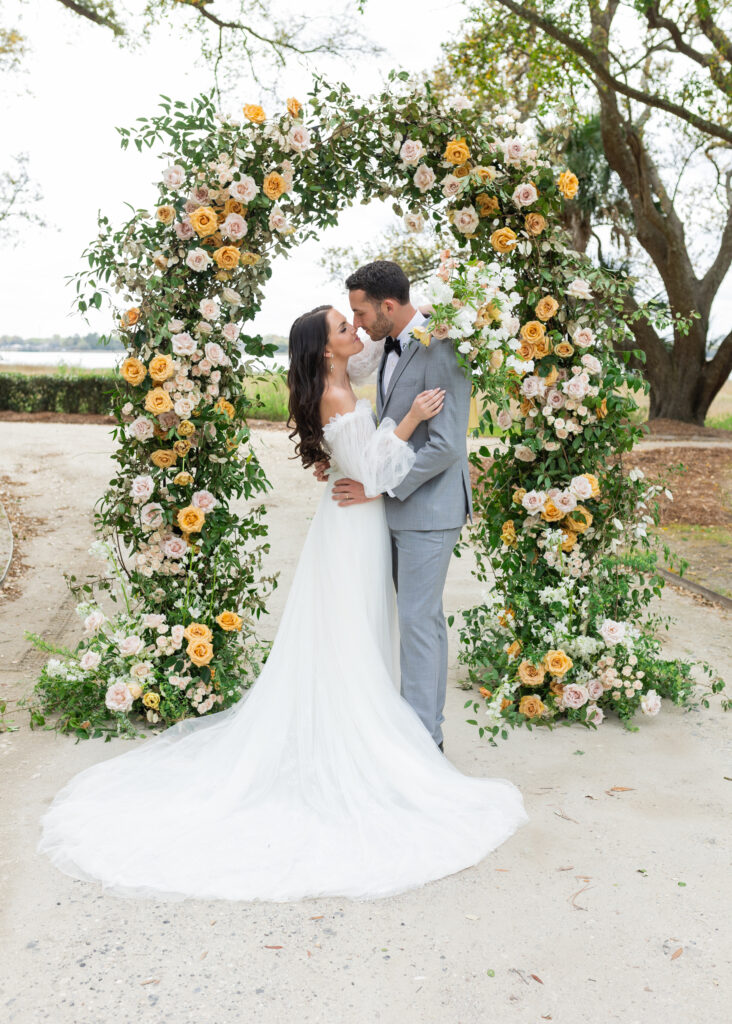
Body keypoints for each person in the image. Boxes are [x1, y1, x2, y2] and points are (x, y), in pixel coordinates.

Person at [36, 304, 527, 902]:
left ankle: (378, 728)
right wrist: (410, 421)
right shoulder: (335, 393)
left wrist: (428, 322)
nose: (355, 329)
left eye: (355, 320)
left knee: (359, 632)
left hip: (354, 521)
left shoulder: (345, 372)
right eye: (344, 327)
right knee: (348, 632)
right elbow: (373, 467)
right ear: (325, 350)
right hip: (354, 524)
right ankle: (356, 741)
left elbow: (386, 354)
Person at [319, 260, 472, 753]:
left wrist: (379, 488)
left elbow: (447, 445)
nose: (357, 324)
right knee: (398, 619)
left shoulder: (442, 347)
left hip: (429, 509)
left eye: (361, 314)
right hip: (394, 509)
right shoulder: (391, 341)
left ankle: (427, 742)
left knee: (418, 622)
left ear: (387, 306)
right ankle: (401, 729)